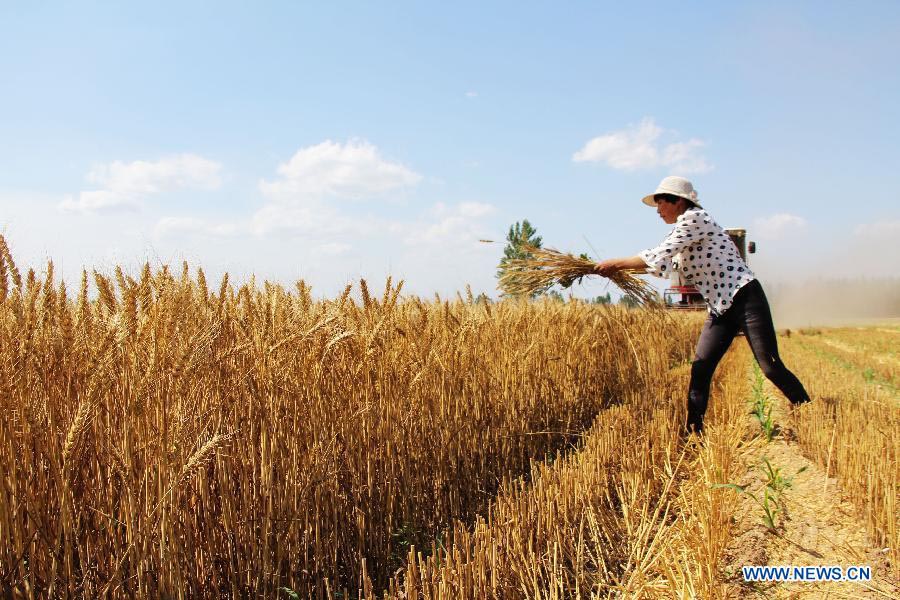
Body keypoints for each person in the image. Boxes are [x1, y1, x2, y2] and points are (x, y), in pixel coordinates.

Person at [594, 176, 810, 435]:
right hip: (720, 307)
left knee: (770, 365)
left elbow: (659, 253)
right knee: (701, 368)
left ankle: (807, 409)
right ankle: (694, 431)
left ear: (677, 202)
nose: (658, 211)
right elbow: (665, 265)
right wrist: (619, 271)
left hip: (744, 298)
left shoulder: (696, 219)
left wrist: (616, 263)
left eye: (661, 204)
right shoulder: (683, 229)